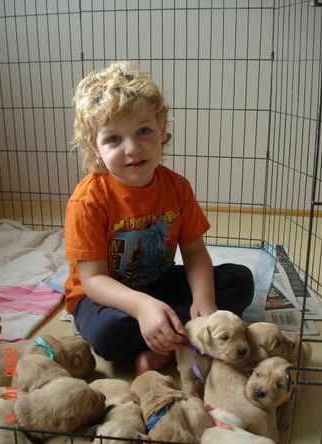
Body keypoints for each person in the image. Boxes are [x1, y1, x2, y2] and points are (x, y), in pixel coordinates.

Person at [64, 61, 254, 374]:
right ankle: (182, 337)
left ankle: (166, 346)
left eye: (143, 131)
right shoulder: (88, 200)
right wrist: (142, 306)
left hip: (157, 281)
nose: (133, 148)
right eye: (114, 139)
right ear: (93, 146)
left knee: (239, 280)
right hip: (105, 295)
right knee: (110, 334)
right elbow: (94, 280)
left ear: (161, 129)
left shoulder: (177, 187)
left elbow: (193, 252)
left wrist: (205, 304)